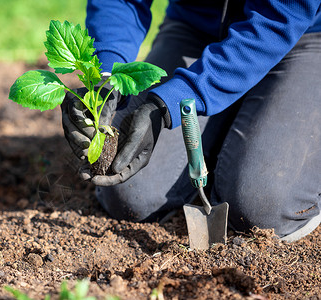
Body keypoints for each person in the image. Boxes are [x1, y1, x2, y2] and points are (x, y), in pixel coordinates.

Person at [61, 0, 321, 242]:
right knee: (129, 192)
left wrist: (170, 103)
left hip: (298, 35)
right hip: (197, 29)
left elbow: (280, 16)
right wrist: (105, 73)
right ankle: (227, 124)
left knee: (264, 206)